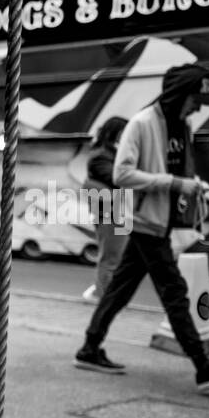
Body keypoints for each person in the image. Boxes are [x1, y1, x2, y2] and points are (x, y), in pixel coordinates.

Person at [75, 63, 209, 392]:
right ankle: (203, 366)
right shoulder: (141, 124)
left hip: (162, 222)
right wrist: (173, 184)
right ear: (179, 96)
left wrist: (206, 192)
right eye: (195, 100)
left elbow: (184, 173)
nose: (199, 107)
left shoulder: (181, 127)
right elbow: (121, 175)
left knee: (118, 291)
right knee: (175, 293)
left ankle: (89, 347)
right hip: (147, 223)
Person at [81, 116, 129, 303]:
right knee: (111, 257)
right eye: (124, 132)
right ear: (114, 132)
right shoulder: (101, 155)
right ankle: (102, 296)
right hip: (109, 211)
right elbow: (118, 178)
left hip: (116, 209)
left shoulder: (110, 153)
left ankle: (104, 293)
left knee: (115, 256)